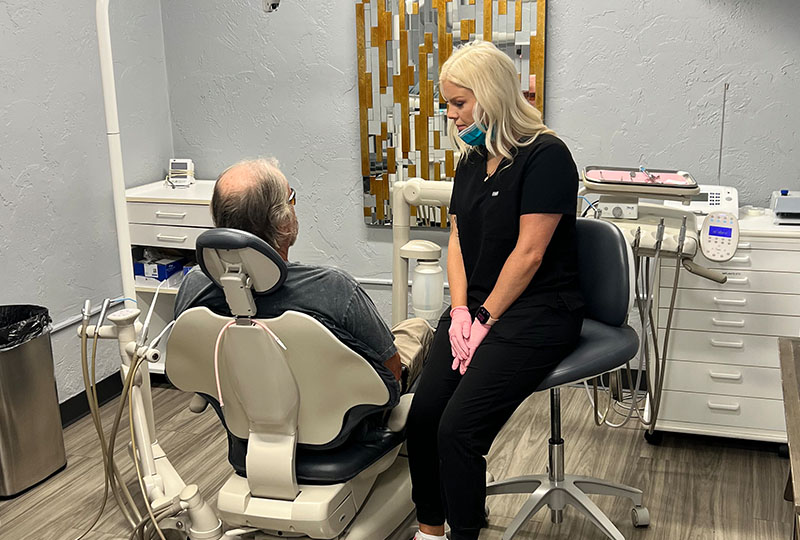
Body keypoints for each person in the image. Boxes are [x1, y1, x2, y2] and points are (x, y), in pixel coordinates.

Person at [406, 41, 585, 540]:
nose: (451, 115)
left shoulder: (547, 157)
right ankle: (429, 529)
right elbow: (458, 240)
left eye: (459, 103)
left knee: (458, 430)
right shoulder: (471, 161)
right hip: (477, 309)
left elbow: (529, 255)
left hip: (539, 309)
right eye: (447, 104)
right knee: (423, 418)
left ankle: (465, 531)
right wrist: (460, 312)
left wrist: (484, 320)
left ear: (493, 96)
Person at [174, 158, 433, 406]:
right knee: (418, 328)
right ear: (283, 221)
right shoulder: (333, 289)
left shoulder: (194, 286)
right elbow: (392, 370)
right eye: (291, 199)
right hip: (343, 427)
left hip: (246, 417)